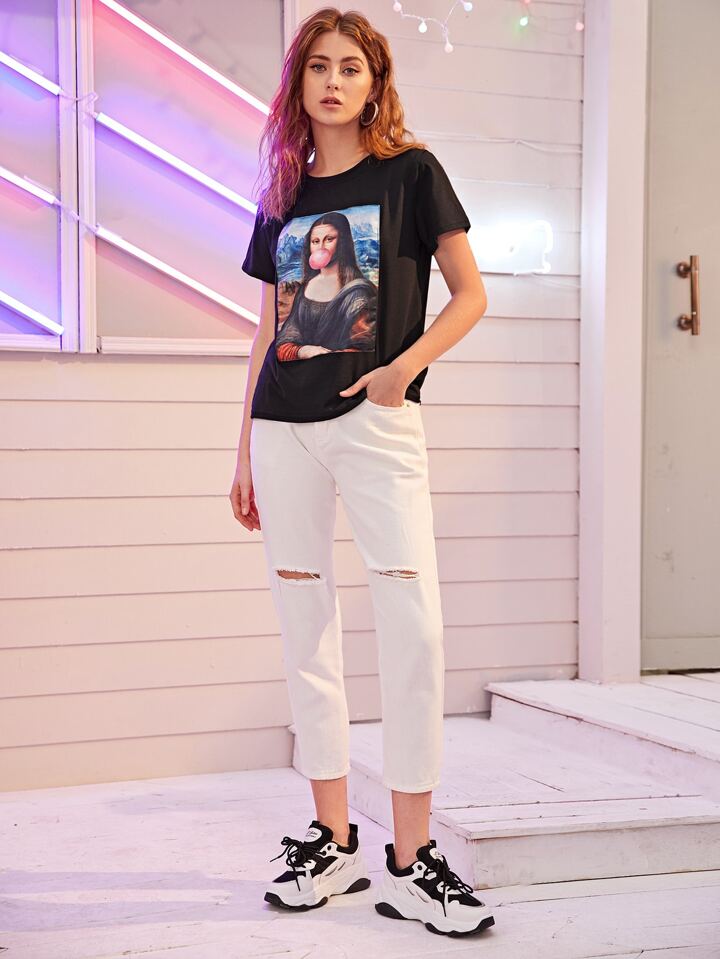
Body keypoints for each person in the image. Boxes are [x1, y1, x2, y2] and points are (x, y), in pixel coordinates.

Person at [231, 5, 493, 939]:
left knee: (412, 629)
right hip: (283, 428)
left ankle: (413, 861)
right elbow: (267, 327)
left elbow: (471, 296)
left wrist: (399, 372)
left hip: (376, 425)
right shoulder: (283, 192)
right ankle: (333, 838)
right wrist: (242, 446)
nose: (334, 81)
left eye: (351, 67)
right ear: (298, 85)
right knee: (306, 628)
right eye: (318, 67)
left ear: (375, 83)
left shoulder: (411, 174)